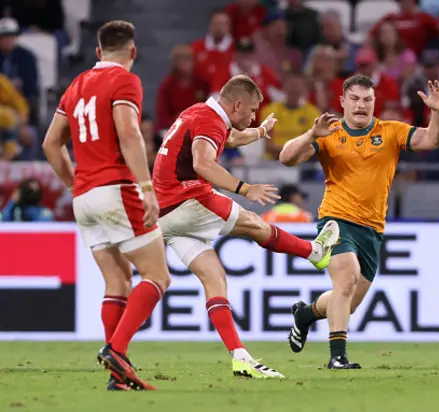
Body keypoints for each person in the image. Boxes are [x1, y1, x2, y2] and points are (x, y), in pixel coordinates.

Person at [152, 75, 340, 379]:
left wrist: (260, 131)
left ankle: (240, 357)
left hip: (166, 214)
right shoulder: (210, 120)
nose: (254, 116)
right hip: (186, 199)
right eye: (252, 111)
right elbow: (202, 163)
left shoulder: (200, 113)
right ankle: (314, 251)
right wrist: (244, 188)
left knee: (215, 279)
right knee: (253, 223)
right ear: (236, 103)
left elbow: (230, 138)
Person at [279, 75, 439, 369]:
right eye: (355, 99)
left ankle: (305, 315)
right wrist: (311, 134)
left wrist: (437, 111)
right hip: (335, 220)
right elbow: (286, 158)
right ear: (343, 102)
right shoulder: (328, 133)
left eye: (367, 100)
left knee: (349, 300)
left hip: (372, 228)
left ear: (374, 102)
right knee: (346, 280)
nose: (361, 106)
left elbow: (434, 139)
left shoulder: (391, 131)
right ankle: (338, 358)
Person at [42, 20, 171, 392]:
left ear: (98, 52)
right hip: (116, 188)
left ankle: (119, 377)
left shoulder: (77, 84)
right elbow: (129, 132)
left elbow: (51, 144)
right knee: (158, 277)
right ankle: (116, 350)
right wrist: (147, 188)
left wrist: (74, 184)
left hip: (85, 196)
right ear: (132, 52)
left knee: (117, 281)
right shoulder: (125, 80)